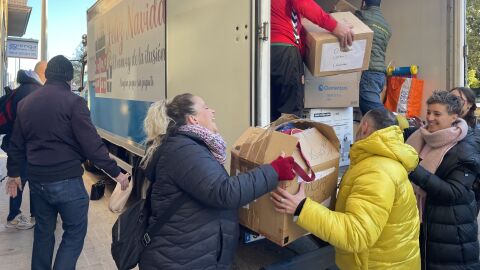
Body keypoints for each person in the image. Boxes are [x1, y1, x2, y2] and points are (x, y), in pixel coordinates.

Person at [139, 93, 296, 269]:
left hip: (189, 254)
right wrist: (274, 171)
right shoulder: (184, 150)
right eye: (206, 107)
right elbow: (224, 192)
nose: (212, 111)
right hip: (179, 260)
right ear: (193, 119)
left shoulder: (190, 146)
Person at [5, 55, 130, 270]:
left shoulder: (26, 104)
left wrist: (14, 174)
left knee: (44, 233)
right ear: (69, 78)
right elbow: (92, 145)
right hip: (67, 182)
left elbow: (16, 143)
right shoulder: (74, 102)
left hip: (38, 182)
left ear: (48, 75)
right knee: (73, 233)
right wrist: (117, 173)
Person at [271, 107, 421, 269]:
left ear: (364, 127)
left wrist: (302, 207)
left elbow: (356, 234)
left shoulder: (377, 172)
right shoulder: (381, 160)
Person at [406, 90, 480, 270]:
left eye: (437, 113)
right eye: (429, 112)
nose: (430, 117)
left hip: (452, 234)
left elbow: (454, 192)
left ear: (454, 117)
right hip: (425, 226)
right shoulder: (420, 137)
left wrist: (413, 169)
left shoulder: (465, 149)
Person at [270, 0, 354, 121]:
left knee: (271, 112)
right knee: (290, 114)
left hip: (266, 53)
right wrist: (335, 26)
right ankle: (286, 139)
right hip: (286, 52)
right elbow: (304, 3)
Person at [3, 63, 45, 230]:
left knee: (26, 179)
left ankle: (32, 215)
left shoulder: (25, 88)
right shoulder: (32, 91)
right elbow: (28, 126)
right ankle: (14, 217)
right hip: (24, 147)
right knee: (22, 180)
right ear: (43, 73)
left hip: (21, 146)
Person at [356, 0, 392, 115]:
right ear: (380, 4)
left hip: (369, 72)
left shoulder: (362, 16)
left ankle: (400, 127)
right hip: (380, 75)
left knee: (375, 113)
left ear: (364, 3)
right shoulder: (386, 25)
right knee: (369, 115)